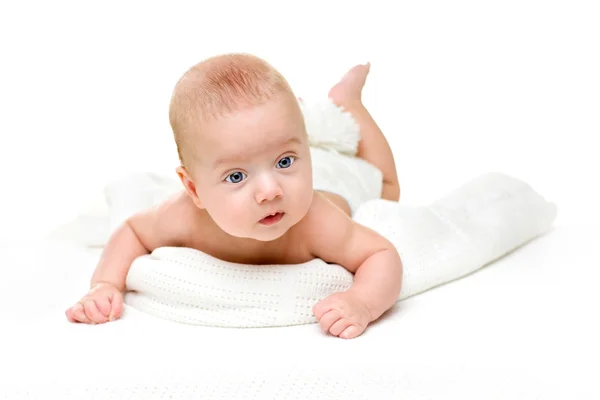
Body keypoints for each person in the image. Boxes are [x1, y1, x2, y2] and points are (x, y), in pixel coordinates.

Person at [65, 53, 403, 339]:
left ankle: (348, 104)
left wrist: (362, 302)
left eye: (285, 161)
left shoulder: (317, 220)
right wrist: (106, 284)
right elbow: (133, 231)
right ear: (194, 190)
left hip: (337, 181)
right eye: (237, 176)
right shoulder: (182, 217)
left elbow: (381, 254)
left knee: (387, 189)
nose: (270, 191)